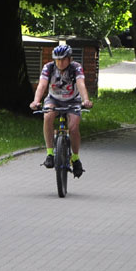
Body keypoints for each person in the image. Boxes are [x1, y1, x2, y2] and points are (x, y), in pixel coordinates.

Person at [29, 43, 93, 178]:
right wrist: (36, 101)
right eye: (57, 59)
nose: (60, 62)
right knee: (47, 116)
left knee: (74, 127)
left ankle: (75, 158)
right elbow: (42, 85)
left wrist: (85, 100)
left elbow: (81, 84)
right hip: (54, 99)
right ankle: (50, 154)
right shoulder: (49, 68)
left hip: (73, 100)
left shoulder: (76, 68)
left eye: (63, 59)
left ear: (70, 59)